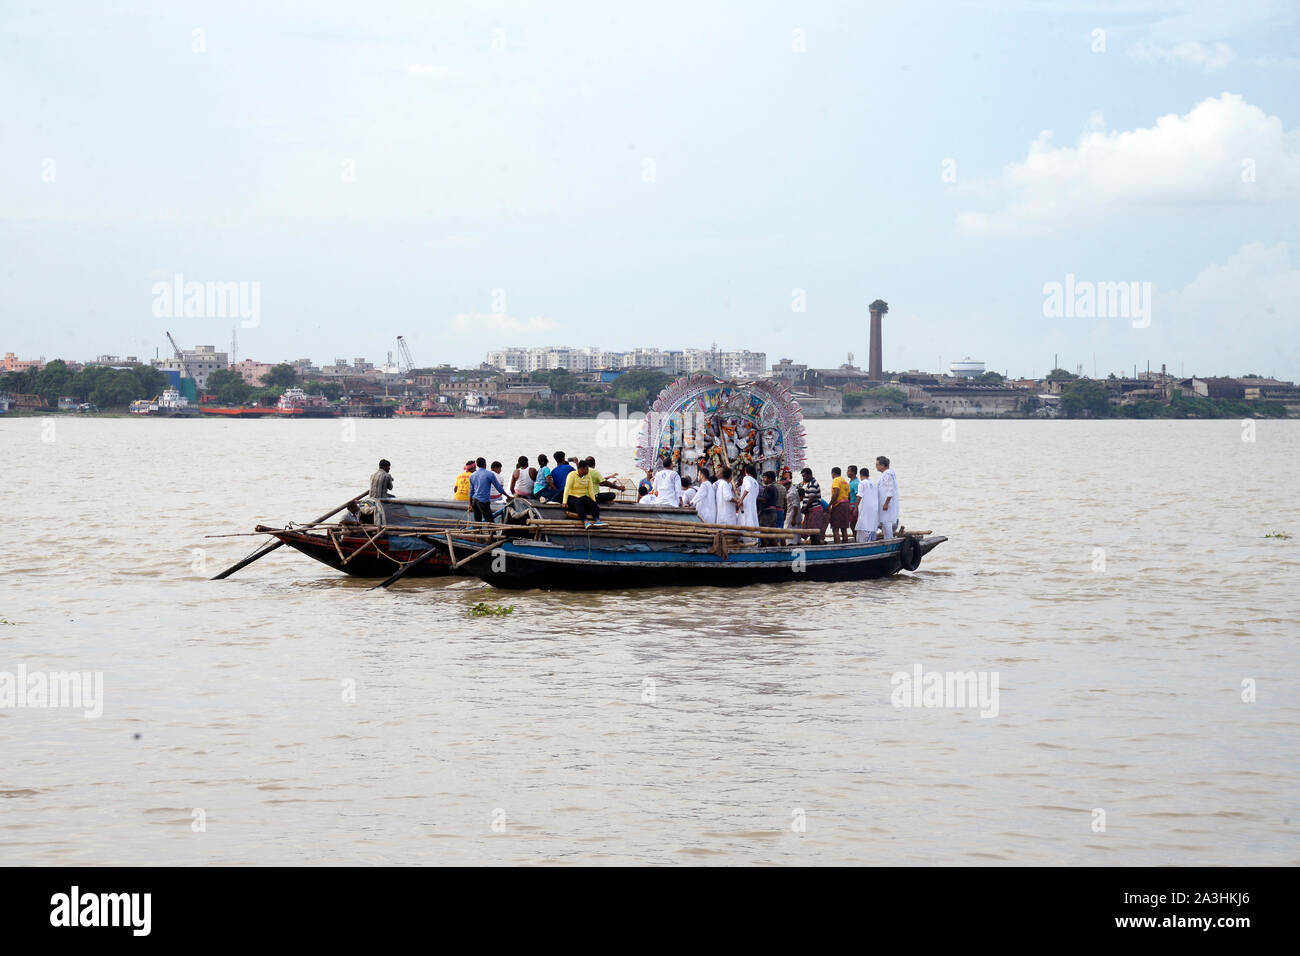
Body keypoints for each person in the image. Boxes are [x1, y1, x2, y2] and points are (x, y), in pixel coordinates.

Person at [562, 458, 606, 528]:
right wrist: (564, 502)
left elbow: (590, 489)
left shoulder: (588, 476)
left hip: (582, 496)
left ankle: (597, 520)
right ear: (581, 469)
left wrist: (594, 501)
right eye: (586, 469)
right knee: (578, 503)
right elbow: (567, 488)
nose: (588, 471)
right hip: (572, 496)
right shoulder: (572, 475)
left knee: (592, 504)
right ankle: (585, 521)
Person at [468, 456, 507, 523]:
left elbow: (471, 492)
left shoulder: (472, 475)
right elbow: (499, 488)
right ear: (485, 464)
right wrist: (508, 496)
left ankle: (477, 532)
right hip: (483, 501)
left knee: (477, 521)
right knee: (489, 521)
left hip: (475, 501)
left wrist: (470, 504)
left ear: (477, 465)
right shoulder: (489, 474)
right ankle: (492, 533)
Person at [875, 455, 900, 538]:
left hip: (887, 505)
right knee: (884, 523)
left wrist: (886, 503)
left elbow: (890, 490)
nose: (876, 466)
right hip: (884, 504)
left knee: (887, 523)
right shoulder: (885, 474)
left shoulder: (888, 474)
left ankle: (889, 541)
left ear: (882, 465)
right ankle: (887, 538)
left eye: (877, 464)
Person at [855, 465, 881, 543]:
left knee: (863, 525)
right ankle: (872, 540)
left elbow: (859, 496)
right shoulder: (874, 484)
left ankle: (863, 543)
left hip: (865, 508)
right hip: (874, 508)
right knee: (871, 524)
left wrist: (856, 507)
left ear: (860, 475)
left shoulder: (862, 483)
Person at [797, 468, 823, 544]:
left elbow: (811, 497)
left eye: (805, 476)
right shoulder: (810, 484)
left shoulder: (812, 484)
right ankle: (814, 544)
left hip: (815, 510)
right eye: (803, 477)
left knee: (814, 531)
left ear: (810, 475)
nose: (804, 478)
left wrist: (805, 508)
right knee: (812, 530)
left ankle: (816, 546)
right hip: (812, 510)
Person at [827, 466, 852, 544]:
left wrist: (829, 505)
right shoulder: (845, 482)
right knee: (844, 528)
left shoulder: (836, 480)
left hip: (838, 505)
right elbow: (849, 496)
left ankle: (837, 547)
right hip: (846, 504)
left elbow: (836, 492)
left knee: (835, 528)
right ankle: (845, 546)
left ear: (833, 473)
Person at [739, 464, 760, 528]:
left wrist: (741, 500)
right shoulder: (755, 482)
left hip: (746, 505)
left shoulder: (746, 478)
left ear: (745, 471)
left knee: (746, 522)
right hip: (752, 505)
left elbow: (748, 487)